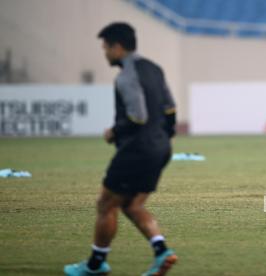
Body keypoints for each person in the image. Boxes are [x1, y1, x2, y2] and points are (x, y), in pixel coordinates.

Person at [64, 22, 177, 276]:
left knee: (106, 204)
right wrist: (163, 137)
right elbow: (170, 109)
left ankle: (95, 264)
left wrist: (114, 132)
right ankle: (162, 252)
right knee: (132, 205)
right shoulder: (154, 69)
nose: (104, 53)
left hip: (137, 149)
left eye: (105, 48)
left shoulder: (126, 75)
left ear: (118, 47)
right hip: (160, 147)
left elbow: (137, 116)